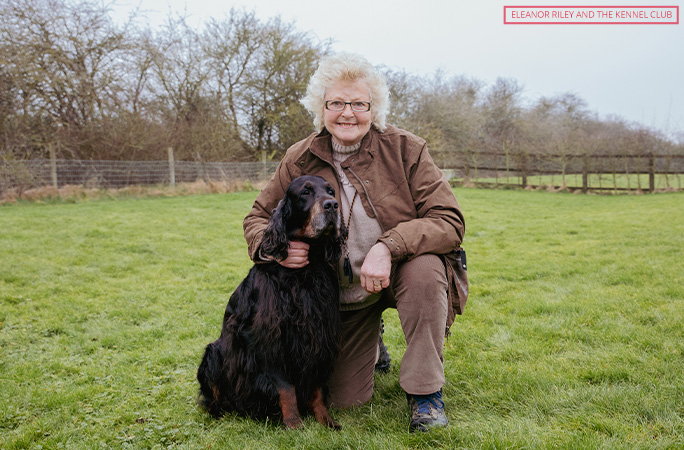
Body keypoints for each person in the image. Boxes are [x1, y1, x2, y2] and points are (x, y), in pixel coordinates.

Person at [243, 52, 466, 432]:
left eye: (359, 104)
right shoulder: (299, 157)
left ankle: (426, 396)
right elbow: (257, 218)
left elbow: (449, 221)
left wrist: (388, 246)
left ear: (373, 108)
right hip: (341, 296)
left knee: (426, 270)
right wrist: (275, 248)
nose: (348, 113)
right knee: (345, 398)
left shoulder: (407, 149)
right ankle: (373, 341)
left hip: (399, 274)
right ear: (322, 108)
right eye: (336, 103)